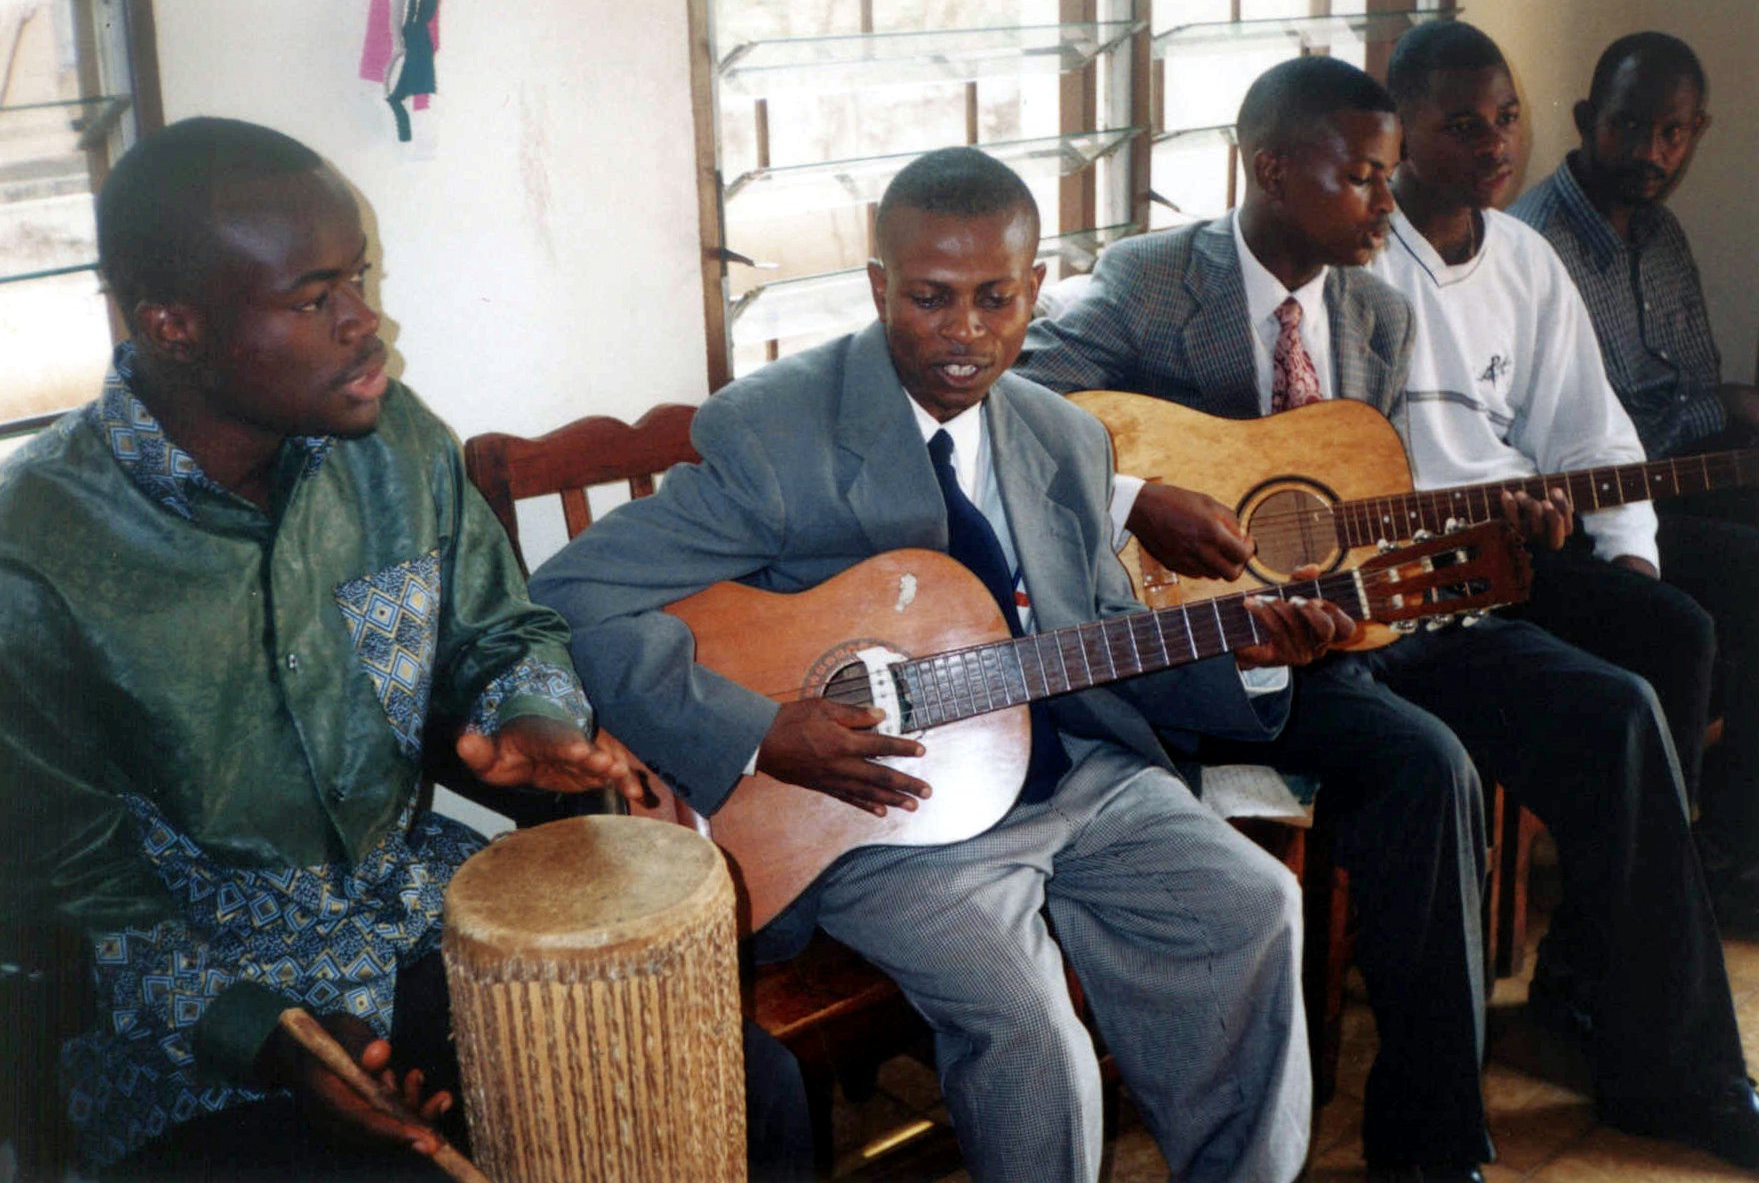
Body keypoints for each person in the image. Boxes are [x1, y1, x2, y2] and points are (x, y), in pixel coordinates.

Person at [0, 118, 808, 1182]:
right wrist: (268, 1040)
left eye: (360, 279)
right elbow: (65, 893)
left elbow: (496, 632)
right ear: (173, 325)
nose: (365, 324)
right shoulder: (38, 551)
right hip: (194, 1011)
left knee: (750, 1093)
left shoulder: (391, 443)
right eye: (314, 298)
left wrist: (531, 715)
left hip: (419, 926)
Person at [530, 147, 1350, 1183]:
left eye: (994, 298)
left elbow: (1104, 639)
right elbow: (569, 595)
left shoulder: (1064, 439)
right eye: (929, 298)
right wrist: (756, 727)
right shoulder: (781, 435)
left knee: (1254, 907)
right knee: (1031, 1024)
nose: (965, 331)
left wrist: (1252, 651)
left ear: (1034, 291)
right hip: (889, 817)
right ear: (878, 288)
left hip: (1077, 777)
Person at [1018, 54, 1759, 1178]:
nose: (1385, 197)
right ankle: (1432, 1144)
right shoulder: (1153, 280)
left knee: (1615, 713)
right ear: (1270, 168)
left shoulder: (1372, 309)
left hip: (1374, 617)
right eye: (1364, 175)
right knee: (1424, 767)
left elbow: (1353, 489)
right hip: (1212, 652)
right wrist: (1140, 498)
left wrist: (1501, 532)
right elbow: (1018, 406)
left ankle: (1675, 1074)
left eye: (1386, 173)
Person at [1512, 31, 1759, 928]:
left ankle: (1737, 841)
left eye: (1673, 133)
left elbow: (1690, 386)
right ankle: (1712, 853)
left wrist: (1732, 408)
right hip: (1595, 510)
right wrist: (1720, 415)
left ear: (1697, 132)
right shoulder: (1537, 243)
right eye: (1629, 127)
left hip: (1678, 474)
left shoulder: (1660, 231)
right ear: (1586, 120)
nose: (1651, 153)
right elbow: (1588, 436)